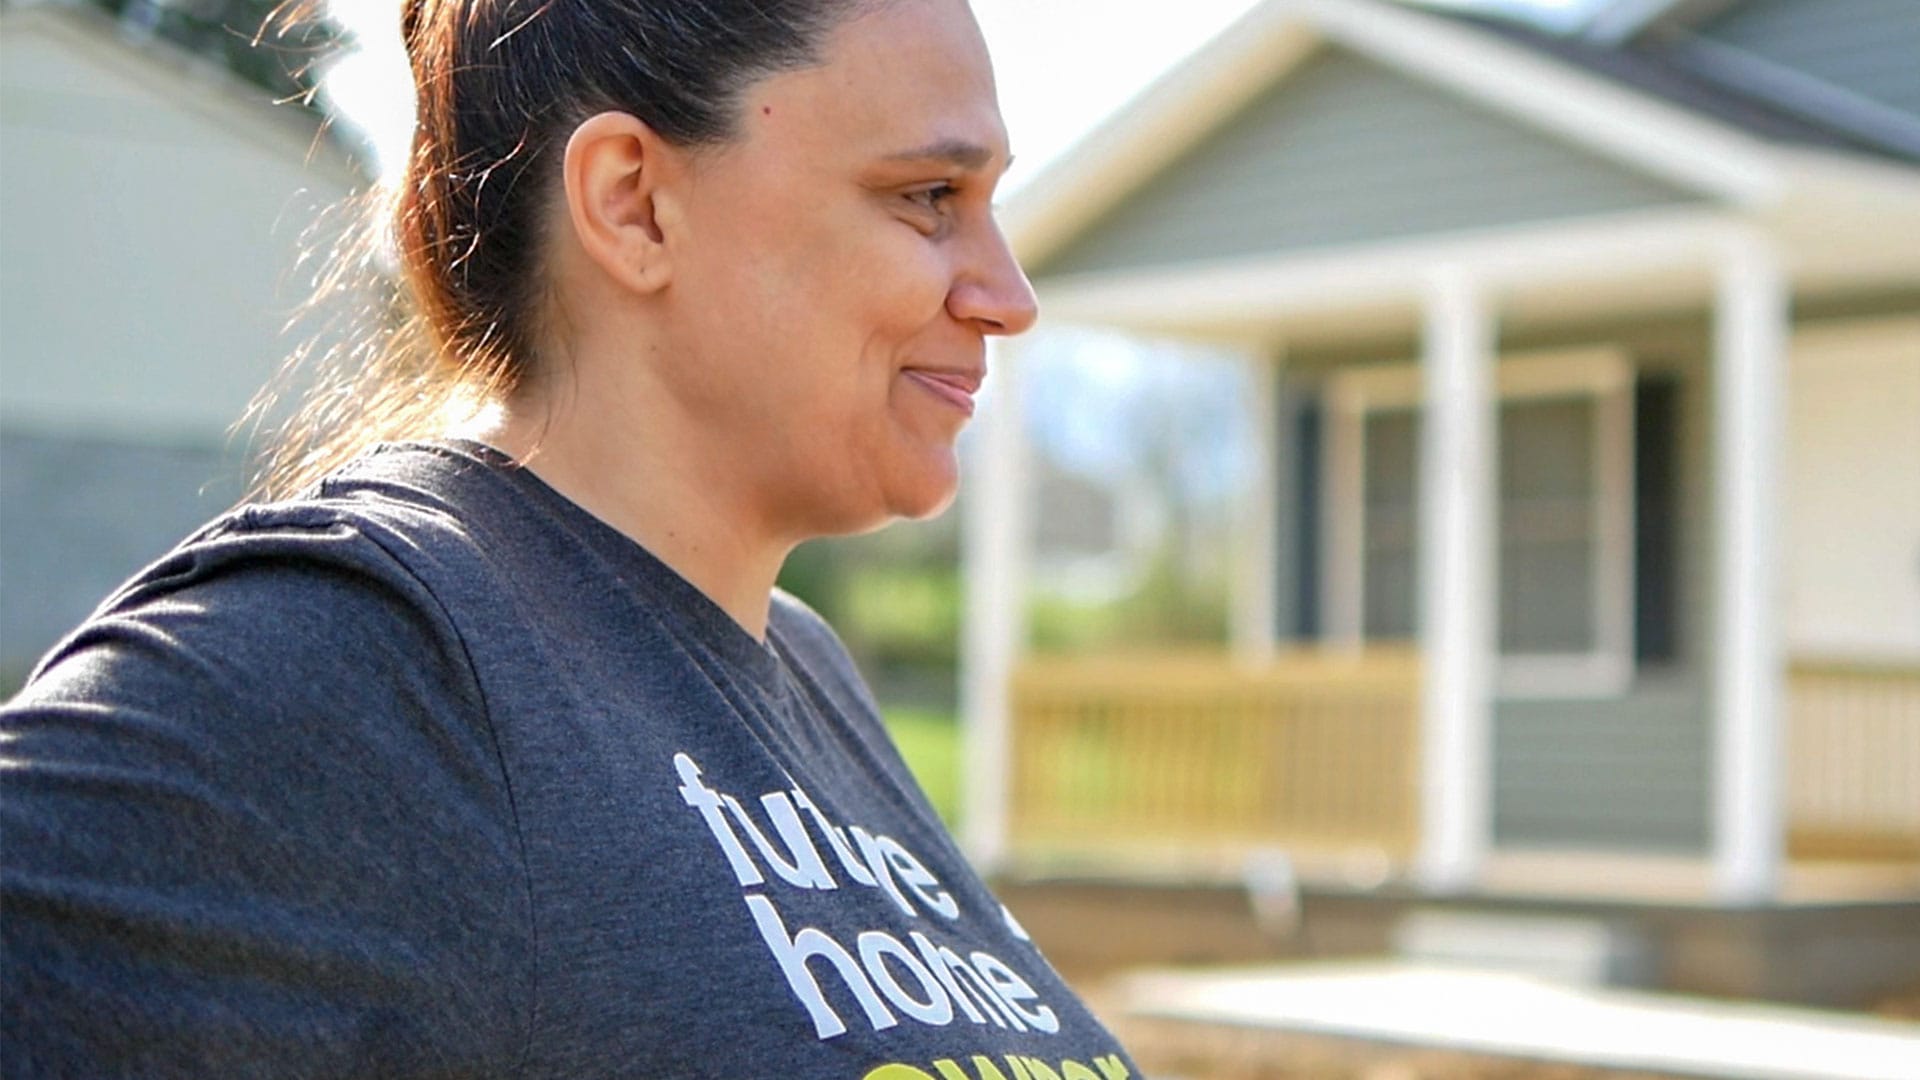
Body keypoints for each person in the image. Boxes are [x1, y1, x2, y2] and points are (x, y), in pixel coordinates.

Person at [0, 1, 1142, 1075]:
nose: (1007, 293)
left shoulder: (802, 667)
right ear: (634, 203)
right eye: (931, 195)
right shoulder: (379, 653)